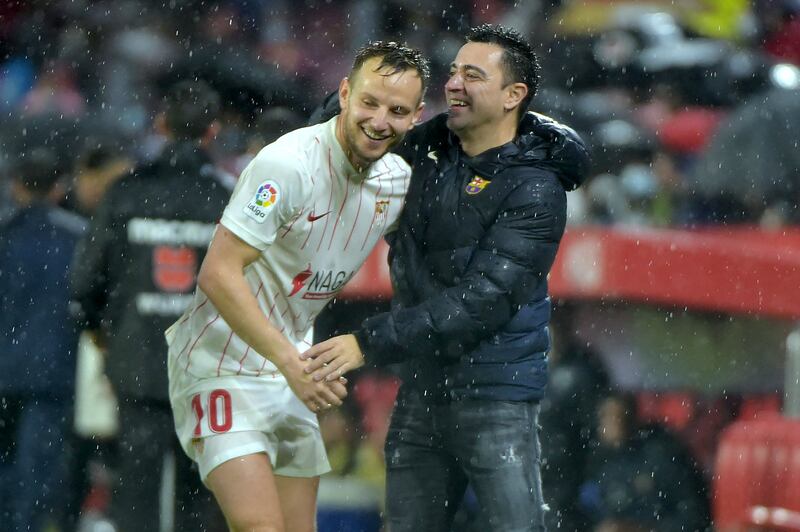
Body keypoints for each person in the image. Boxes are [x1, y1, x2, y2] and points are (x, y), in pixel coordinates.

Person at [303, 24, 590, 531]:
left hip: (496, 397)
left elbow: (482, 301)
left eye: (472, 75)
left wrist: (366, 343)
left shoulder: (537, 188)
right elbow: (331, 141)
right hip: (422, 391)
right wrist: (368, 93)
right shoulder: (425, 152)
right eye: (453, 71)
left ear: (513, 96)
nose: (453, 83)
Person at [165, 42, 428, 532]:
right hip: (220, 362)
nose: (379, 120)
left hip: (294, 371)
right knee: (261, 527)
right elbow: (217, 273)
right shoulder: (285, 165)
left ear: (416, 117)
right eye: (369, 102)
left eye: (396, 111)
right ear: (345, 93)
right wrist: (291, 362)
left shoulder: (397, 182)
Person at [70, 80, 231, 531]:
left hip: (136, 359)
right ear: (213, 130)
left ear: (160, 124)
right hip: (203, 364)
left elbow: (86, 279)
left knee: (135, 487)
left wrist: (101, 332)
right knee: (201, 492)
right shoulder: (227, 197)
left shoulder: (125, 191)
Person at [0, 147, 85, 531]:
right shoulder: (78, 236)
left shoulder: (5, 233)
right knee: (39, 471)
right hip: (53, 368)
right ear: (58, 187)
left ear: (15, 184)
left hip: (5, 367)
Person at [578, 392, 710, 532]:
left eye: (618, 416)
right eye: (605, 417)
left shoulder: (661, 455)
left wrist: (639, 529)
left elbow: (694, 516)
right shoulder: (599, 464)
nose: (612, 424)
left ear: (632, 418)